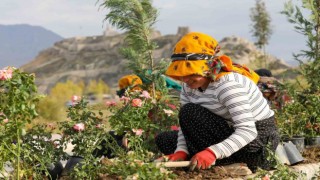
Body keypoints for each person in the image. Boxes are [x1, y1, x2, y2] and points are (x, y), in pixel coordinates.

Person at [155, 32, 280, 172]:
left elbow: (247, 131)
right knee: (164, 139)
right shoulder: (188, 86)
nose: (185, 79)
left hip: (256, 144)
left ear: (208, 68)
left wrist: (212, 152)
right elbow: (186, 127)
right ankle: (211, 160)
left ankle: (229, 163)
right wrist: (181, 151)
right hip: (225, 131)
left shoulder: (228, 85)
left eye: (191, 73)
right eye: (182, 74)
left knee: (189, 112)